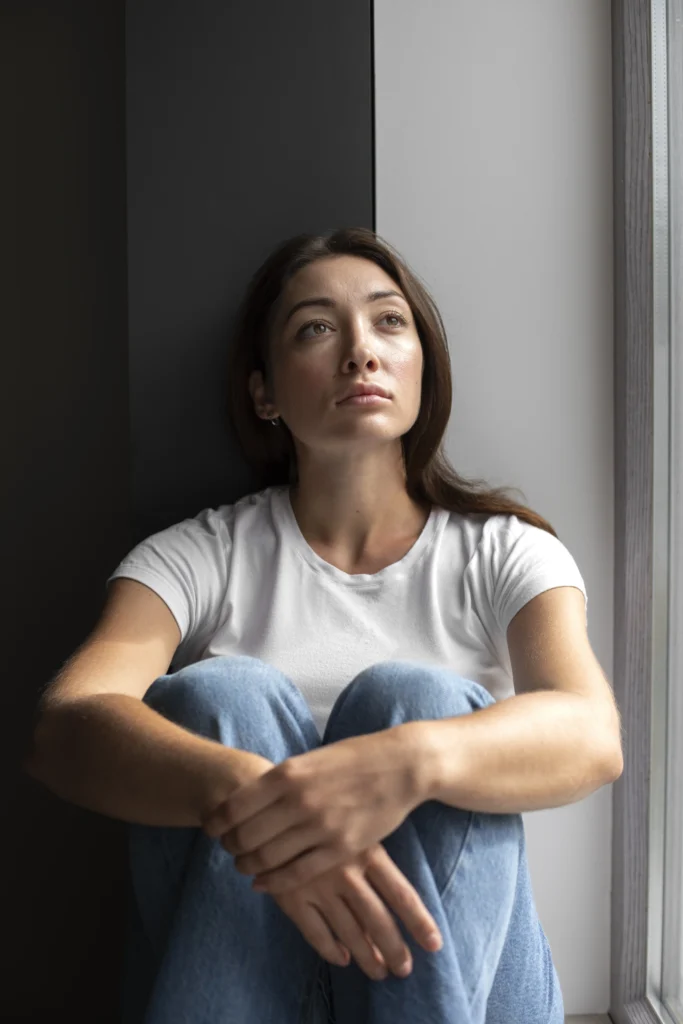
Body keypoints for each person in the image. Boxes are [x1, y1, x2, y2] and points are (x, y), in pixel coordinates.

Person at [23, 227, 623, 1024]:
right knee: (221, 698)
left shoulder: (506, 551)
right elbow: (64, 729)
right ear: (264, 392)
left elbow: (590, 735)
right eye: (316, 328)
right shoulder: (198, 555)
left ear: (420, 368)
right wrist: (243, 796)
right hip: (242, 965)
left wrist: (409, 761)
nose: (360, 353)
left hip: (464, 991)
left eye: (388, 322)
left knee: (415, 698)